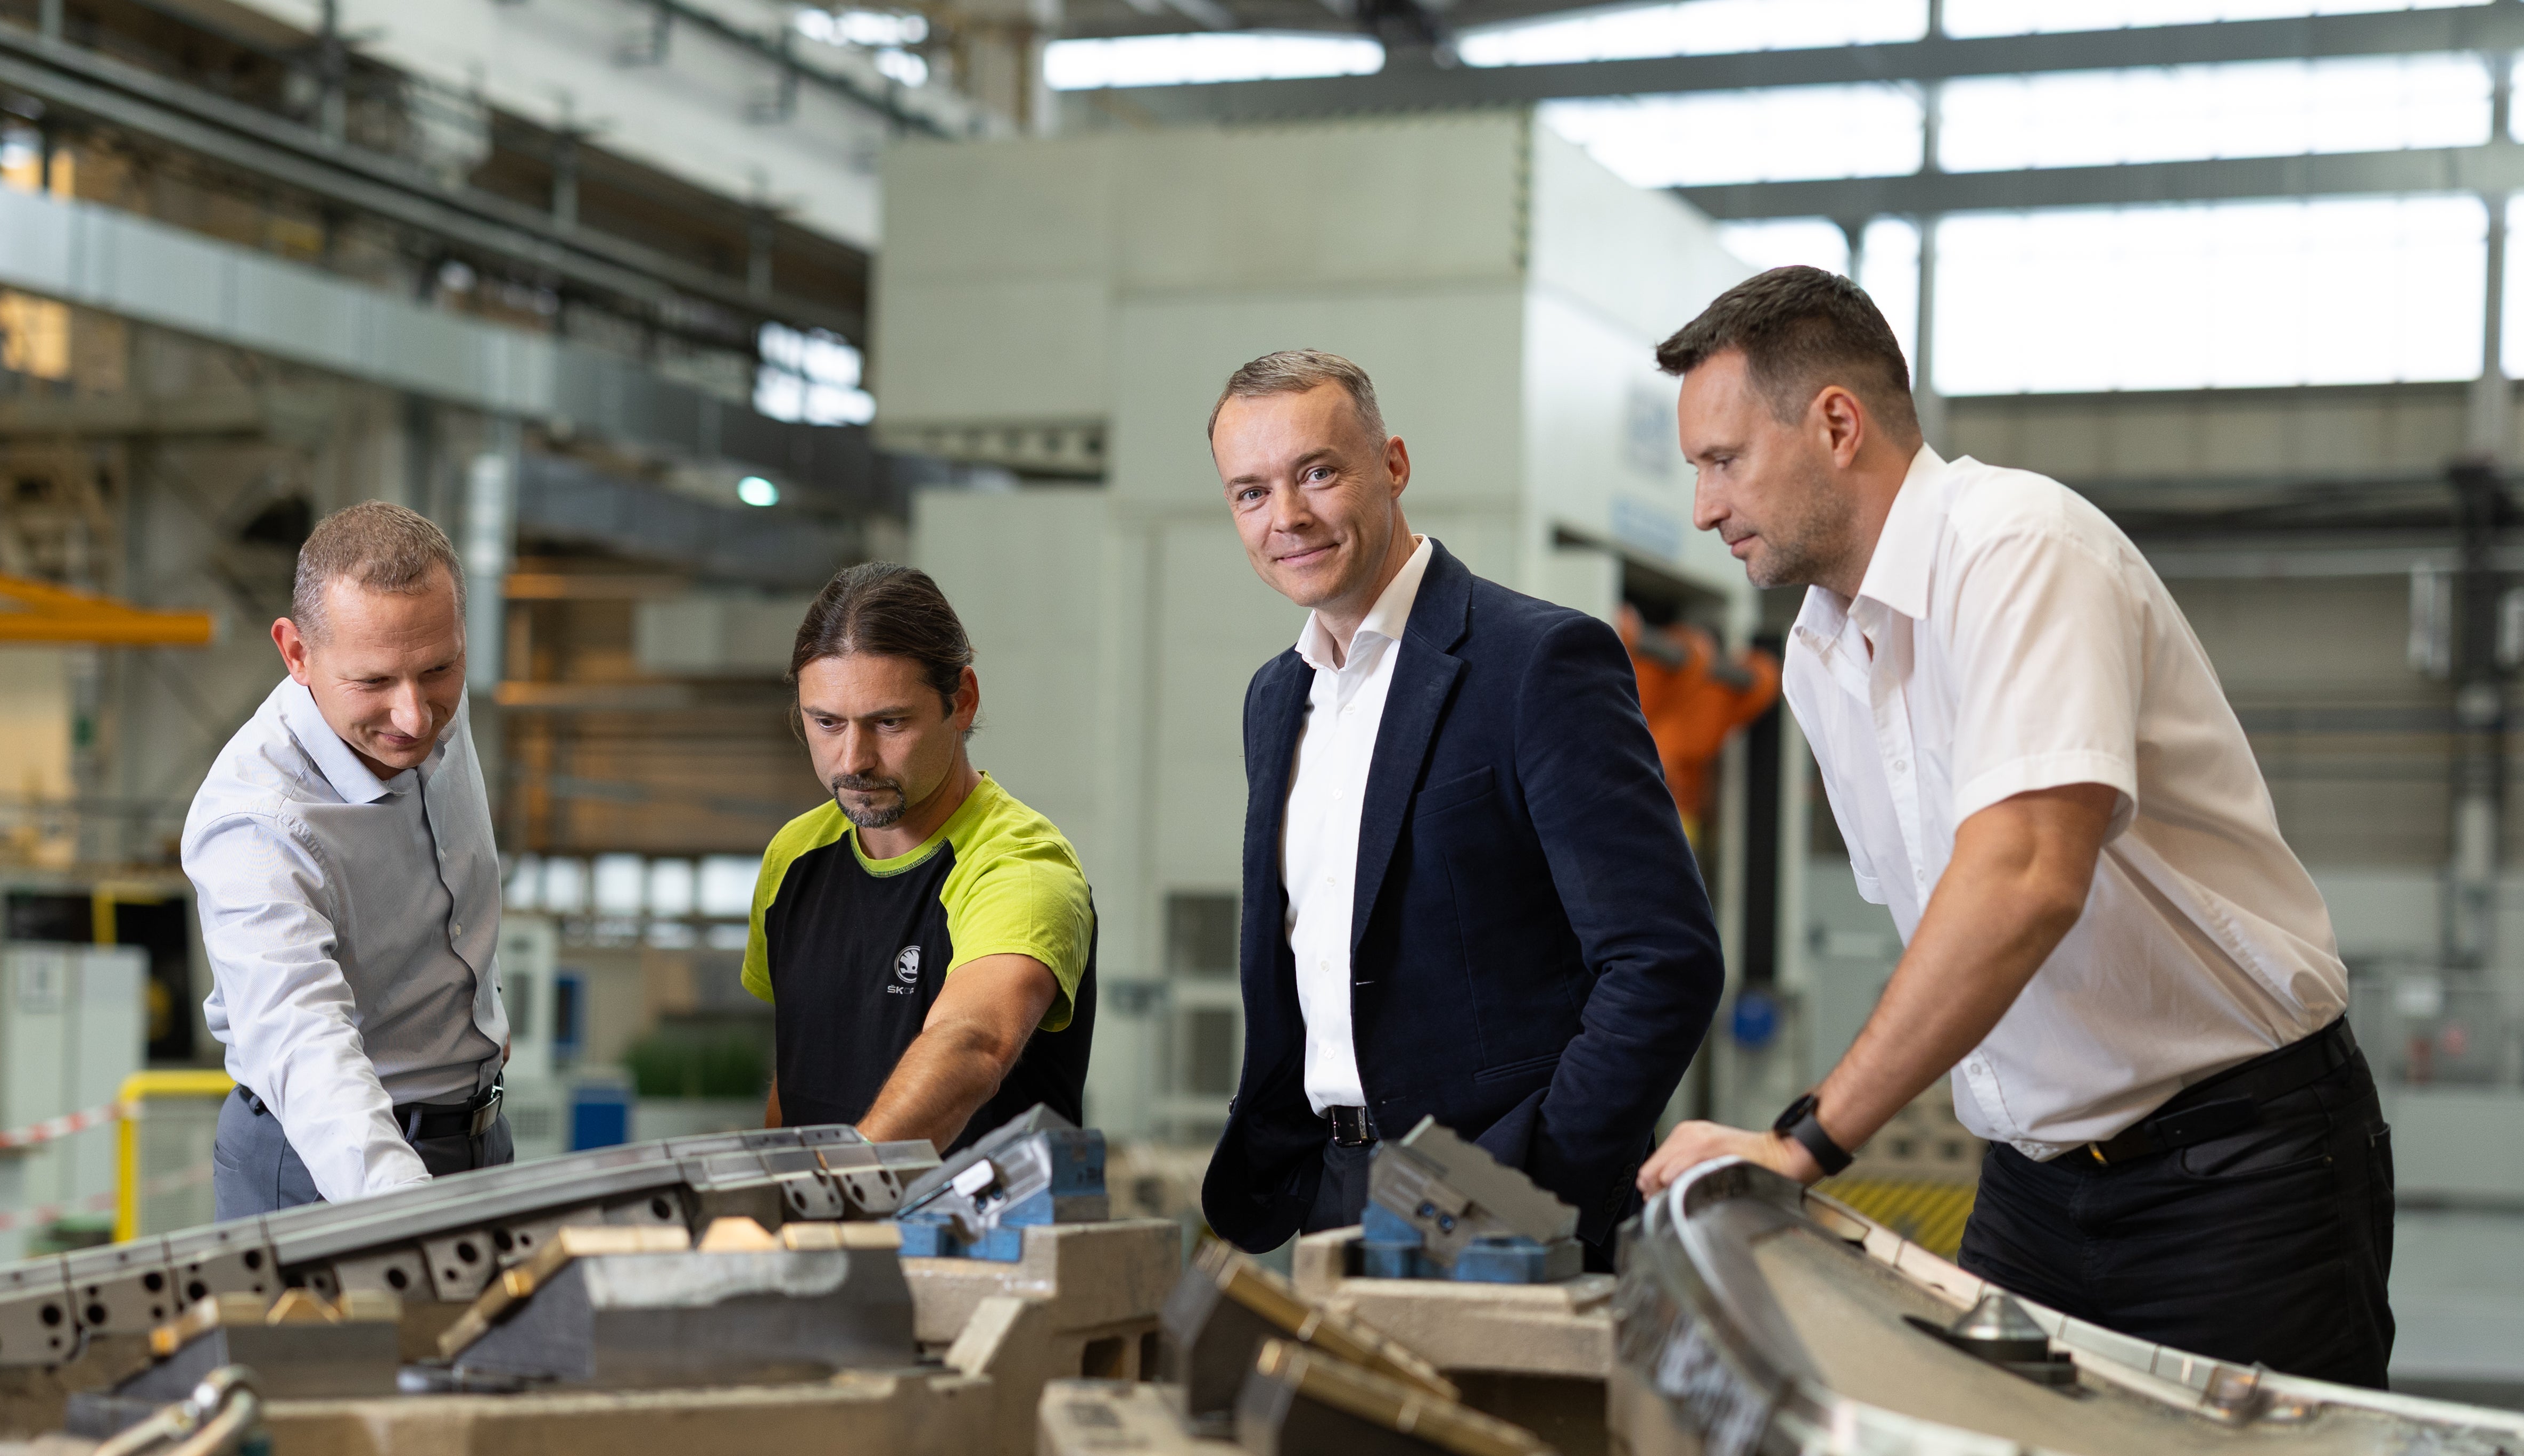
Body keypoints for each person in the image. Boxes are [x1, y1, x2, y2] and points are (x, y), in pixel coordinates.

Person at [1640, 267, 2393, 1387]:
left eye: (1722, 460)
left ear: (1836, 425)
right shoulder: (1817, 653)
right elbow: (1941, 917)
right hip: (2033, 1184)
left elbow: (2023, 878)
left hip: (2231, 1173)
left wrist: (1802, 1139)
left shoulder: (2017, 548)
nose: (1703, 507)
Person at [1201, 350, 1723, 1262]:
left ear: (1392, 465)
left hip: (1504, 1197)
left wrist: (1526, 1187)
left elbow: (1661, 961)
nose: (1286, 516)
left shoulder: (1537, 663)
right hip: (1334, 1188)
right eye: (1251, 492)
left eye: (1316, 473)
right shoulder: (1274, 698)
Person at [185, 500, 513, 1216]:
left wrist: (476, 1018)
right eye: (373, 682)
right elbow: (304, 1046)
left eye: (440, 668)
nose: (414, 717)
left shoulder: (423, 705)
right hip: (327, 1166)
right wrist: (405, 1210)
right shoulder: (256, 822)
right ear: (296, 653)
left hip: (477, 1136)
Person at [741, 563, 1096, 1148]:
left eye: (889, 722)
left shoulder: (1021, 869)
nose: (853, 760)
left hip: (969, 1213)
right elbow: (798, 1071)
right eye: (826, 723)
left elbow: (971, 1045)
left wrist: (841, 1183)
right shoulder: (794, 855)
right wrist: (778, 1194)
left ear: (963, 701)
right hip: (826, 1206)